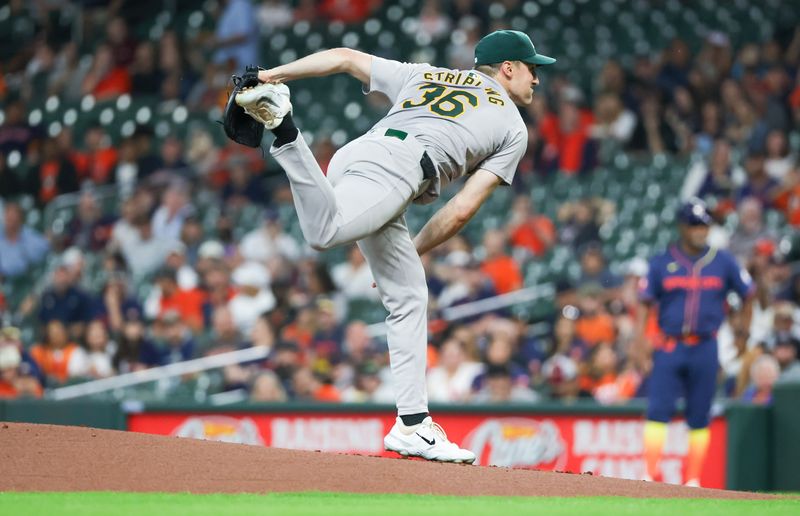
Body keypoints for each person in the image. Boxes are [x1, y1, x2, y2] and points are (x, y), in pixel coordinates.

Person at [234, 29, 555, 463]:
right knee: (324, 233)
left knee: (408, 294)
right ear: (509, 68)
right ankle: (287, 132)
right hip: (400, 168)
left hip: (361, 152)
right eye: (532, 70)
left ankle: (413, 425)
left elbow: (345, 56)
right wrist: (419, 248)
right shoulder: (514, 127)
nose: (536, 80)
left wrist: (271, 73)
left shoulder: (426, 73)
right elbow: (461, 210)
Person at [635, 198, 754, 487]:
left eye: (705, 225)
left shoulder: (723, 261)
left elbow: (748, 293)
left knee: (700, 414)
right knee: (657, 411)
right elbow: (644, 302)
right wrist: (640, 341)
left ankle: (693, 479)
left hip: (706, 344)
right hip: (669, 344)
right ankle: (649, 475)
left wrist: (743, 333)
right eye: (695, 225)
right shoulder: (662, 261)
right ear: (682, 227)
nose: (701, 231)